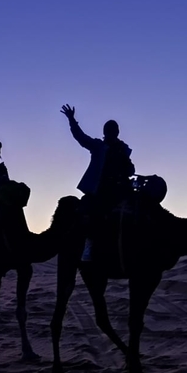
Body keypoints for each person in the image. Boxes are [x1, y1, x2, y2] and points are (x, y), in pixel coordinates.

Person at [61, 104, 135, 261]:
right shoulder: (98, 146)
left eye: (113, 130)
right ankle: (89, 247)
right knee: (92, 217)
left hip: (122, 189)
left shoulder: (123, 149)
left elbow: (129, 169)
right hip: (101, 190)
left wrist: (128, 168)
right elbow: (81, 137)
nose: (111, 133)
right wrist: (72, 120)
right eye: (109, 130)